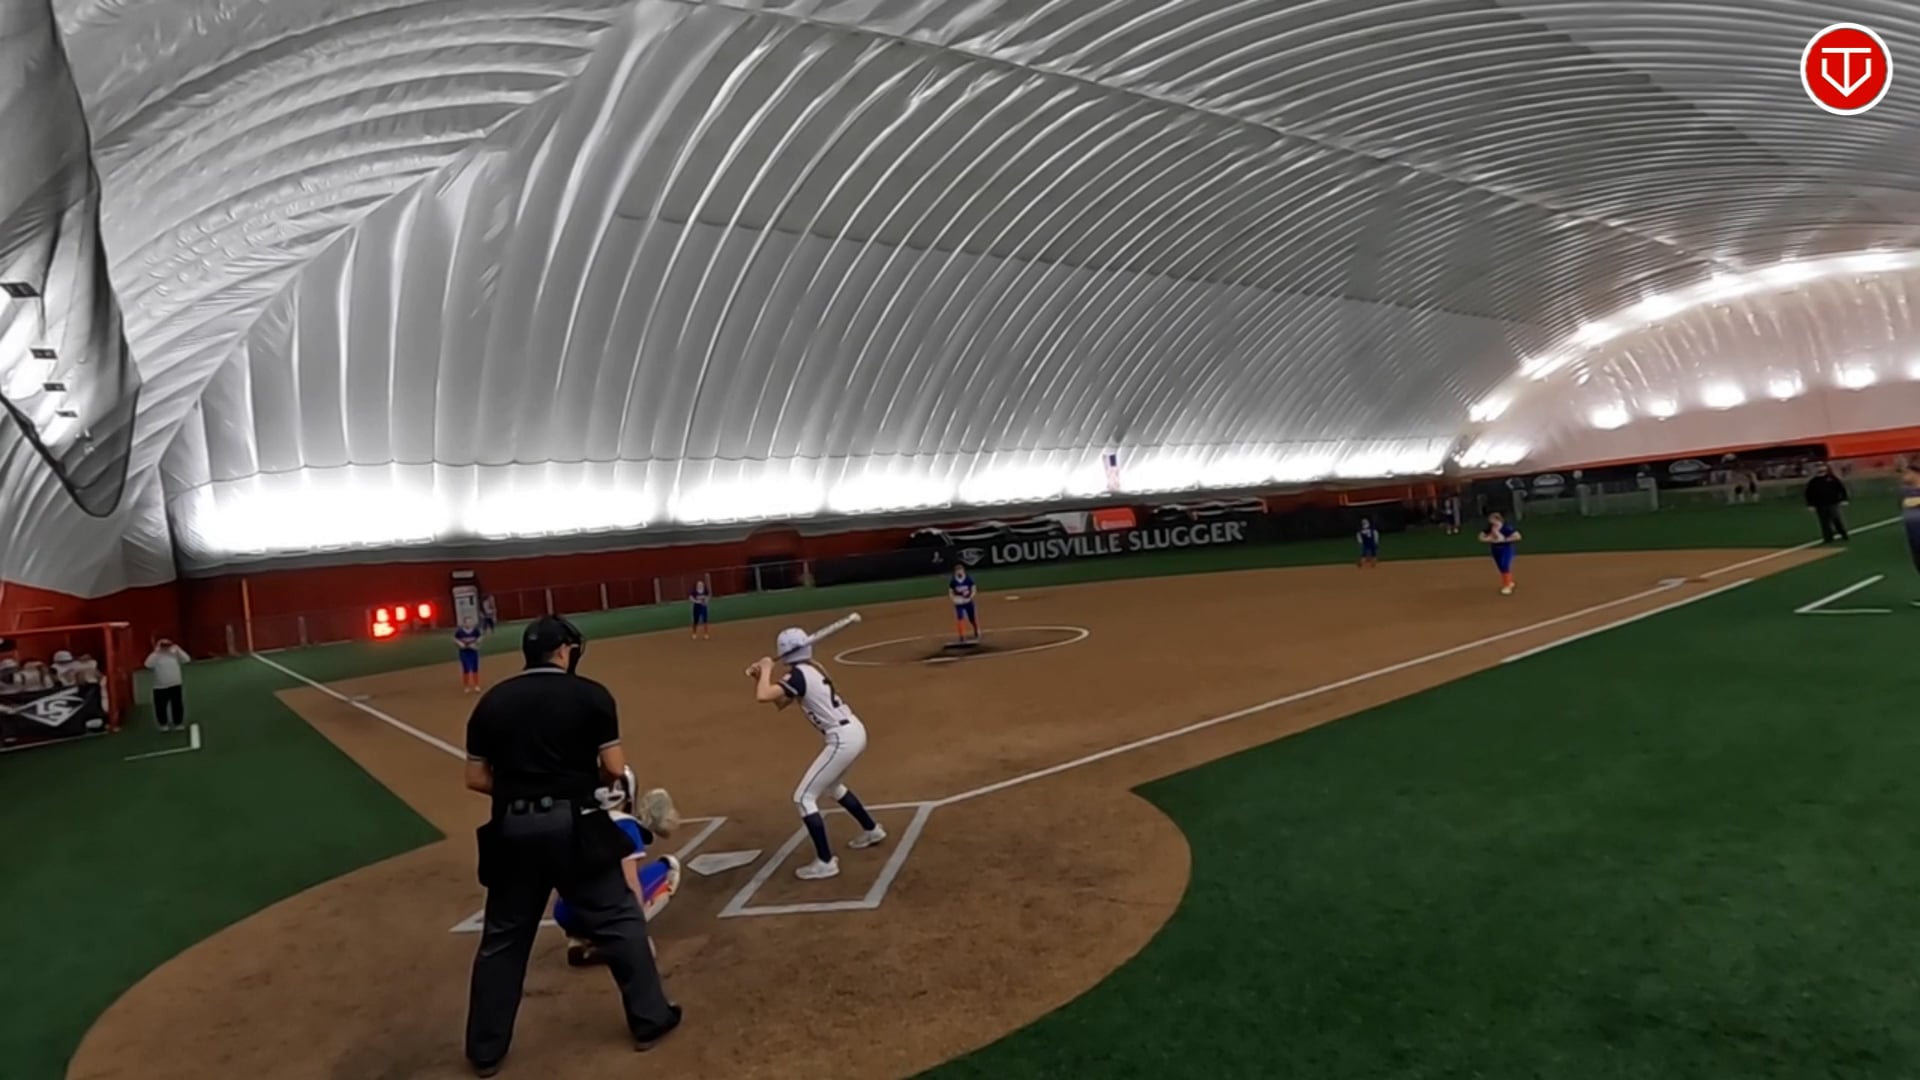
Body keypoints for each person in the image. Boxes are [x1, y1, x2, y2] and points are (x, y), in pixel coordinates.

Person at [463, 615, 680, 1076]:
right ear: (563, 651)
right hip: (575, 826)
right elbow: (615, 768)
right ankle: (650, 1020)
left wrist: (519, 791)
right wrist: (581, 784)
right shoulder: (590, 695)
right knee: (619, 920)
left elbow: (476, 778)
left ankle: (485, 1051)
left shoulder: (492, 701)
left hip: (511, 831)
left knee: (503, 941)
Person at [747, 627, 886, 881]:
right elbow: (780, 702)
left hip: (842, 739)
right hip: (854, 731)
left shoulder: (798, 675)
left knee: (803, 797)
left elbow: (763, 697)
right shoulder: (810, 670)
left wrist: (766, 668)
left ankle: (825, 862)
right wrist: (760, 677)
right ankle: (871, 829)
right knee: (833, 787)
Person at [555, 768, 682, 967]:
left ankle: (579, 940)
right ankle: (623, 942)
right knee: (669, 868)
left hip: (566, 912)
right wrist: (636, 932)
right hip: (607, 911)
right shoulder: (627, 826)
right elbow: (630, 881)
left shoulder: (575, 819)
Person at [145, 638, 190, 731]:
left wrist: (178, 650)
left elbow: (187, 659)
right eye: (163, 646)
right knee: (160, 706)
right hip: (160, 686)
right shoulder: (156, 656)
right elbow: (147, 664)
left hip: (175, 684)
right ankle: (163, 724)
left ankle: (178, 723)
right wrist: (156, 652)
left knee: (177, 705)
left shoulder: (174, 654)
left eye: (167, 645)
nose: (165, 648)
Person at [1804, 462, 1850, 543]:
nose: (1820, 468)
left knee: (1836, 519)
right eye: (1818, 467)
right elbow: (1809, 494)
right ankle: (1828, 538)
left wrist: (1844, 499)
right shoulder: (1813, 481)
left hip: (1833, 503)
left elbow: (1841, 489)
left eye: (1822, 466)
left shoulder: (1832, 478)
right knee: (1824, 522)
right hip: (1820, 505)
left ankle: (1843, 533)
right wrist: (1810, 505)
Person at [1478, 512, 1522, 595]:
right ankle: (1509, 581)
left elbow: (1518, 536)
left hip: (1506, 548)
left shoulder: (1506, 527)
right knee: (1500, 567)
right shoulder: (1490, 528)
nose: (1490, 521)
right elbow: (1481, 537)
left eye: (1492, 519)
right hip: (1495, 549)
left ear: (1497, 519)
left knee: (1505, 565)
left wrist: (1505, 540)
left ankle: (1507, 586)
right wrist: (1489, 539)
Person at [1901, 459, 1920, 607]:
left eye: (1907, 473)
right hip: (1913, 532)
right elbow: (1906, 504)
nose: (1903, 476)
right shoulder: (1905, 491)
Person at [949, 564, 980, 642]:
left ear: (963, 571)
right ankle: (961, 636)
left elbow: (973, 589)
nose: (959, 572)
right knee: (960, 617)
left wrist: (970, 597)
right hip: (959, 603)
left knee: (971, 618)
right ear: (955, 572)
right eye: (957, 571)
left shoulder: (968, 579)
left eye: (960, 570)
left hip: (968, 602)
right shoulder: (953, 581)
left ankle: (976, 629)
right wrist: (954, 599)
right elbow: (951, 592)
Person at [455, 618, 484, 693]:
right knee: (466, 669)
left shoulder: (475, 631)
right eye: (467, 622)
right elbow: (456, 639)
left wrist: (476, 643)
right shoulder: (460, 632)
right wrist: (460, 643)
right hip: (464, 653)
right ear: (464, 623)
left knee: (475, 668)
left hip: (473, 652)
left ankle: (476, 685)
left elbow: (480, 637)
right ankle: (466, 686)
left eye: (470, 622)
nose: (469, 624)